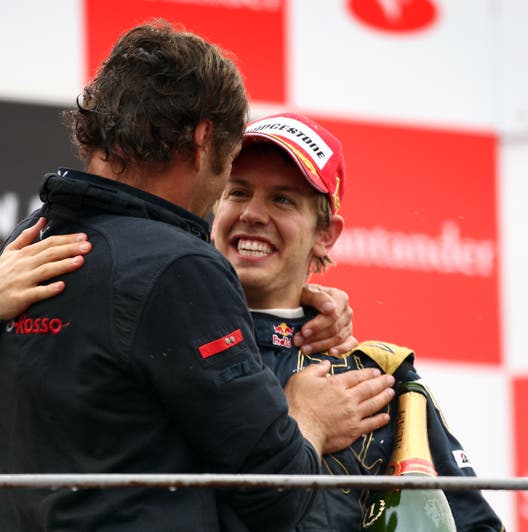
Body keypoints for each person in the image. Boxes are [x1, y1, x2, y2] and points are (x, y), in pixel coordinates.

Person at [0, 21, 396, 532]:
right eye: (234, 177)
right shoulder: (180, 266)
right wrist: (310, 420)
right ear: (206, 140)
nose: (239, 203)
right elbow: (277, 496)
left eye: (283, 200)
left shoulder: (34, 239)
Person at [208, 112, 505, 531]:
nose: (253, 213)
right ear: (213, 207)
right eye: (238, 192)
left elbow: (473, 525)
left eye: (282, 199)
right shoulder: (166, 342)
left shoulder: (378, 377)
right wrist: (305, 426)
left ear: (326, 234)